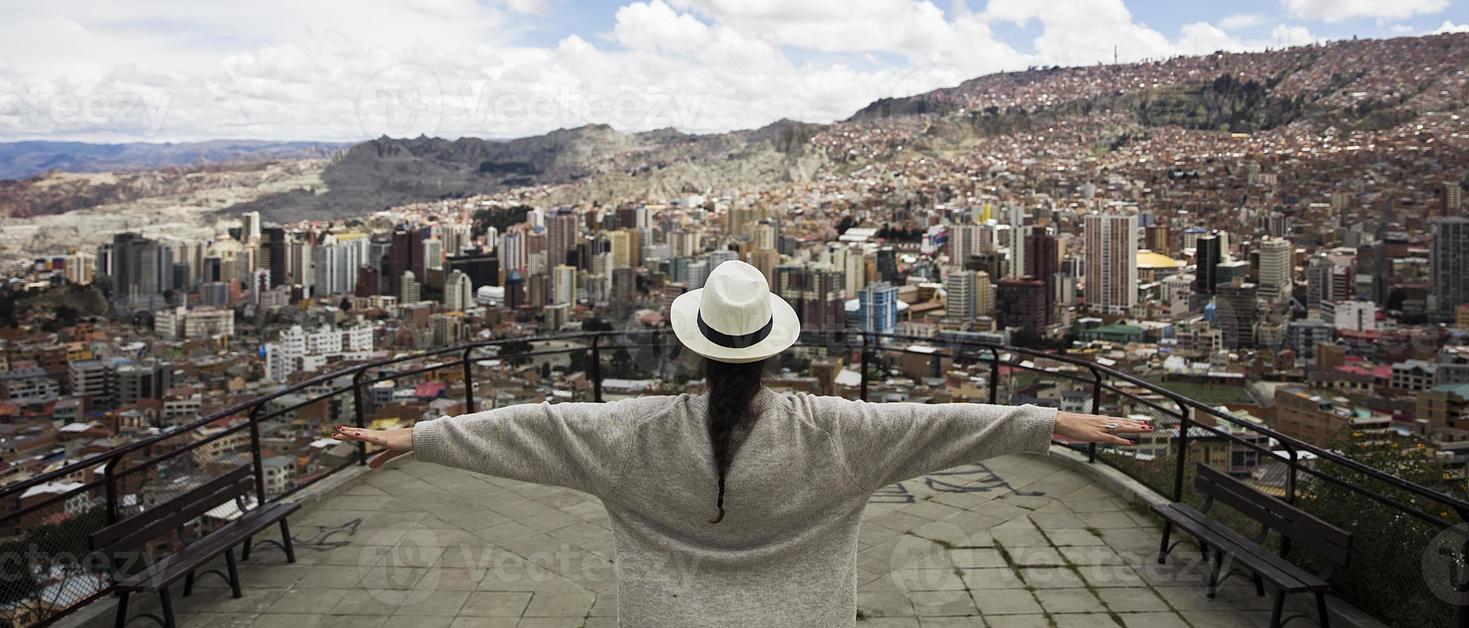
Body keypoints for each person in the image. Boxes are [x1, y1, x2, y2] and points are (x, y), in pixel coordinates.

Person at [337, 260, 1150, 627]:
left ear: (694, 347)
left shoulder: (632, 432)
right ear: (774, 347)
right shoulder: (838, 433)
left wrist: (419, 436)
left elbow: (531, 428)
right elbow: (942, 421)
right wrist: (1058, 423)